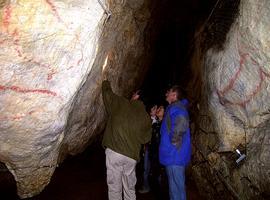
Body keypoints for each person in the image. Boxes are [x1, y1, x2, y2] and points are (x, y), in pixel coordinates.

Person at [102, 80, 152, 200]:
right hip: (131, 157)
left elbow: (107, 95)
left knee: (114, 187)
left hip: (114, 151)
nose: (132, 94)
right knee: (129, 188)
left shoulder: (122, 103)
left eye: (134, 93)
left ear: (137, 95)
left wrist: (105, 82)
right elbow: (146, 138)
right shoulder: (145, 117)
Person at [159, 85, 191, 200]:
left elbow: (181, 123)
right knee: (174, 189)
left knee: (177, 189)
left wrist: (173, 144)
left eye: (169, 92)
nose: (166, 94)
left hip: (174, 155)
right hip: (172, 155)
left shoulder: (178, 107)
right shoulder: (173, 107)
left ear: (174, 94)